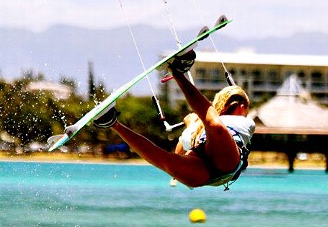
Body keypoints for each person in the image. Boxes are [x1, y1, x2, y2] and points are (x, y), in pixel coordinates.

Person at [93, 51, 255, 188]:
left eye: (242, 104)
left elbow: (183, 148)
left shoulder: (247, 122)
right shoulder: (204, 121)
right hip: (202, 164)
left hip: (224, 165)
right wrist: (194, 125)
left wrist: (192, 124)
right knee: (213, 125)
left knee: (167, 159)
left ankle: (112, 122)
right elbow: (184, 145)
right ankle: (112, 122)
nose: (240, 106)